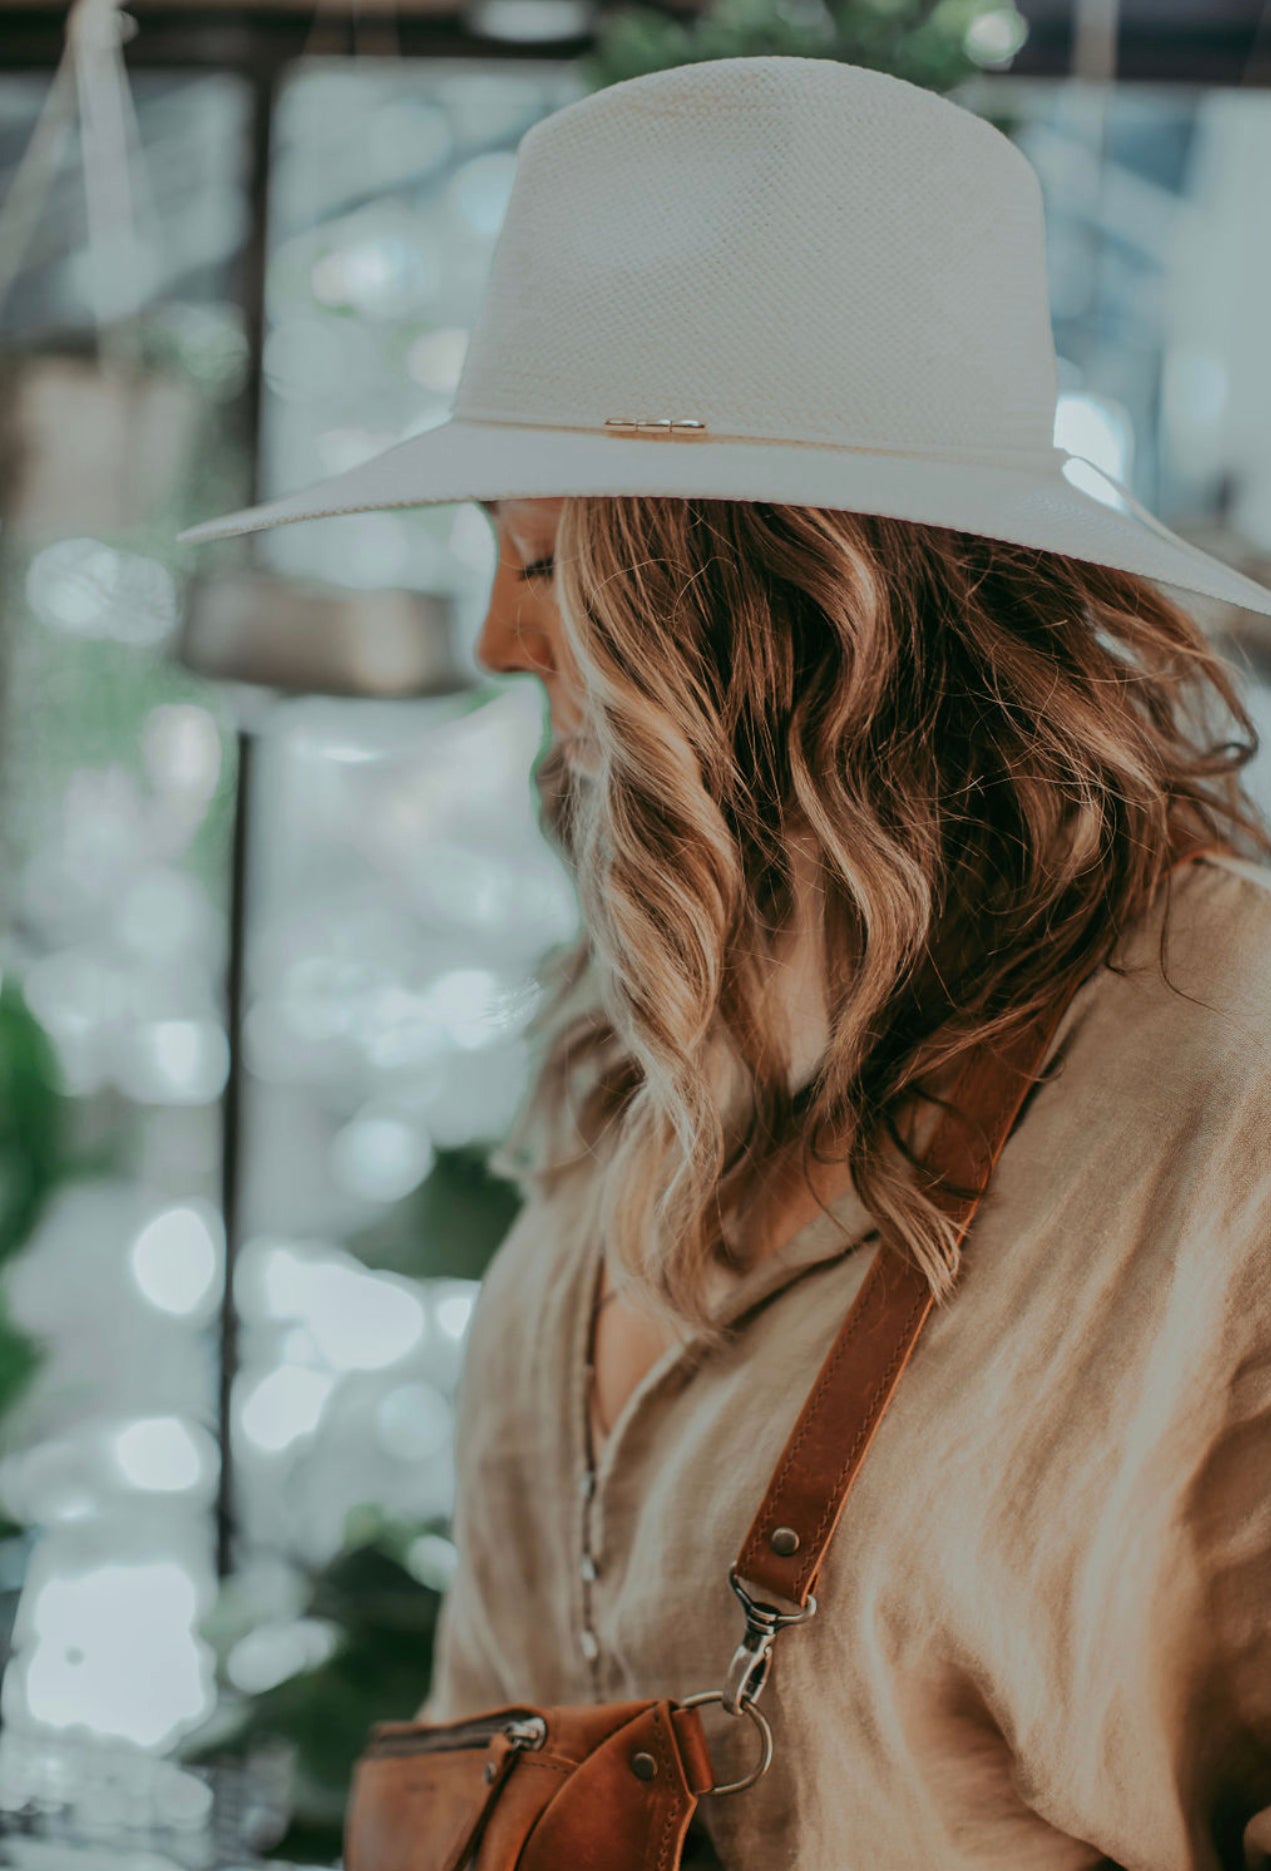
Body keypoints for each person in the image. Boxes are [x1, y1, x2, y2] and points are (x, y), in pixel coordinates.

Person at [176, 54, 1271, 1871]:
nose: (497, 637)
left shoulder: (1226, 1091)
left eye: (538, 554)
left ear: (743, 597)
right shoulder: (644, 1054)